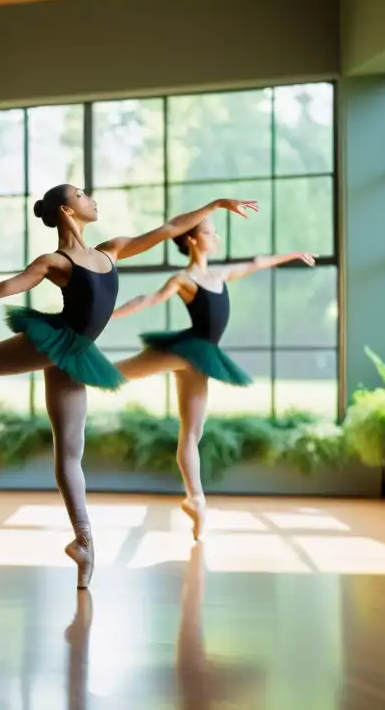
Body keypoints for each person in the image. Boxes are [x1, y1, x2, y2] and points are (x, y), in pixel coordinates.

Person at [0, 184, 257, 588]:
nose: (92, 199)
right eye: (84, 195)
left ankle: (83, 541)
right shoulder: (56, 261)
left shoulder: (112, 249)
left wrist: (217, 204)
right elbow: (2, 288)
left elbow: (171, 227)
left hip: (75, 354)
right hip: (50, 340)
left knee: (70, 450)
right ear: (68, 210)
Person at [112, 217, 316, 539]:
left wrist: (291, 255)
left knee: (192, 433)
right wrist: (108, 316)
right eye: (209, 232)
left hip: (200, 358)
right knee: (116, 373)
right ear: (192, 240)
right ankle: (73, 363)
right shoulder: (184, 279)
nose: (215, 237)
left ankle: (196, 500)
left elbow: (257, 262)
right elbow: (148, 300)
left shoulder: (219, 275)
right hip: (185, 350)